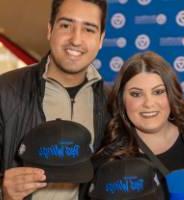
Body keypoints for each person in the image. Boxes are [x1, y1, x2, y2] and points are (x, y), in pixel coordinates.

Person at [0, 0, 109, 199]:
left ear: (101, 39)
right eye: (66, 25)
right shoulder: (4, 91)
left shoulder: (111, 102)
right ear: (50, 30)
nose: (76, 40)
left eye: (89, 29)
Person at [88, 51, 184, 199]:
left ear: (171, 94)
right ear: (122, 101)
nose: (148, 103)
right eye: (136, 94)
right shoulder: (107, 161)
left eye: (158, 92)